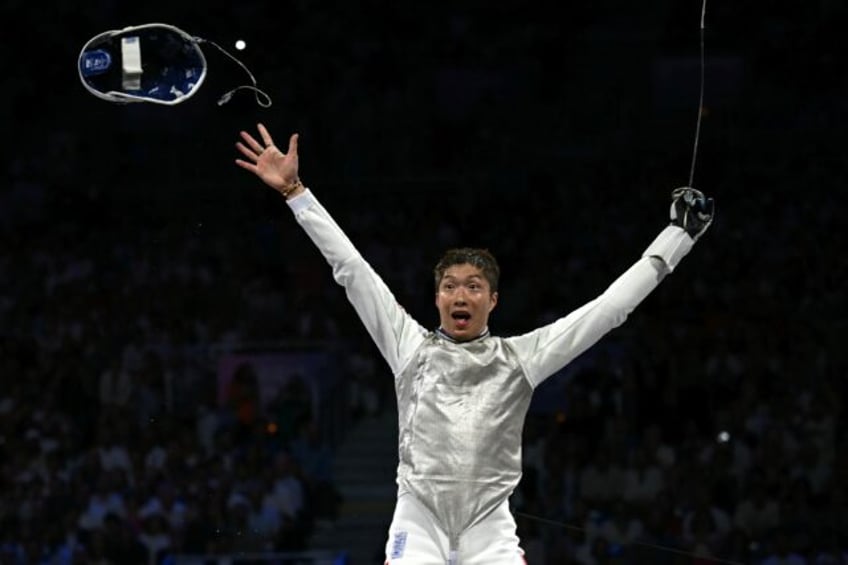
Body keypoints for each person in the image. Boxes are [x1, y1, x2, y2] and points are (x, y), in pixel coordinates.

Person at [234, 123, 714, 565]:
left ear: (493, 299)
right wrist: (297, 194)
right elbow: (352, 270)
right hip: (418, 519)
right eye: (450, 286)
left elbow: (609, 310)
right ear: (437, 296)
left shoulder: (522, 358)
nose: (460, 295)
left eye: (473, 286)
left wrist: (678, 237)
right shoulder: (409, 346)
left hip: (489, 527)